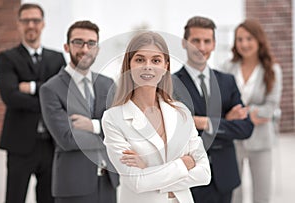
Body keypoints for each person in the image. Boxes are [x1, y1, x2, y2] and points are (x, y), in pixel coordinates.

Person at [101, 31, 211, 203]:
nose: (147, 66)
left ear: (166, 66)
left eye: (156, 60)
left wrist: (149, 171)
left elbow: (204, 173)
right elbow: (136, 182)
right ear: (129, 65)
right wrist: (184, 164)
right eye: (139, 59)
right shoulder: (113, 118)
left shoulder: (181, 112)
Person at [172, 16, 254, 203]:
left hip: (225, 175)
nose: (201, 47)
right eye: (196, 41)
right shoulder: (170, 84)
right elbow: (176, 132)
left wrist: (203, 122)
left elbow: (246, 129)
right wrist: (226, 120)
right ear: (185, 43)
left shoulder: (227, 81)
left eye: (207, 41)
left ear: (214, 44)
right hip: (189, 177)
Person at [39, 20, 119, 203]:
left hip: (108, 182)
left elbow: (122, 130)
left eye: (91, 43)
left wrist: (94, 126)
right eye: (78, 42)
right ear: (67, 47)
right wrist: (110, 132)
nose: (85, 49)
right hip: (73, 185)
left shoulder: (107, 84)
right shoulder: (51, 89)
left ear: (97, 49)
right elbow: (66, 139)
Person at [0, 3, 66, 203]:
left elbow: (63, 94)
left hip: (50, 144)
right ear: (18, 24)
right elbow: (9, 96)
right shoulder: (7, 58)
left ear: (43, 24)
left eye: (35, 20)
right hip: (19, 144)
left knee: (49, 199)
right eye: (25, 20)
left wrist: (33, 88)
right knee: (14, 198)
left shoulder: (56, 58)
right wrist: (48, 99)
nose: (31, 25)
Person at [220, 19, 282, 203]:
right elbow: (222, 105)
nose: (244, 44)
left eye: (249, 38)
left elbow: (270, 108)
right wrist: (249, 114)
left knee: (262, 195)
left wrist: (240, 113)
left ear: (259, 40)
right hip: (233, 142)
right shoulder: (227, 68)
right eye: (239, 39)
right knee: (234, 194)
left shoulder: (272, 70)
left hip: (261, 142)